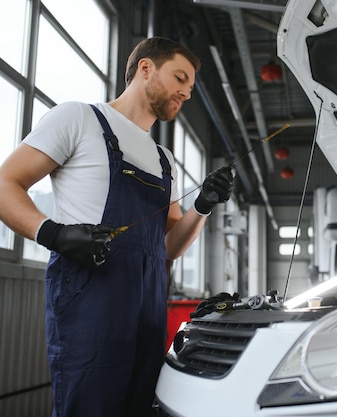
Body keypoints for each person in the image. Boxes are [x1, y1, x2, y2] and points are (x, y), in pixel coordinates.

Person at [0, 37, 233, 417]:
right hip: (91, 304)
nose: (185, 93)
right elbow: (5, 184)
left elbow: (169, 246)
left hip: (147, 311)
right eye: (179, 78)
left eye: (189, 89)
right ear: (146, 68)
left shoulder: (165, 161)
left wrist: (203, 206)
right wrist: (53, 233)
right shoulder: (78, 119)